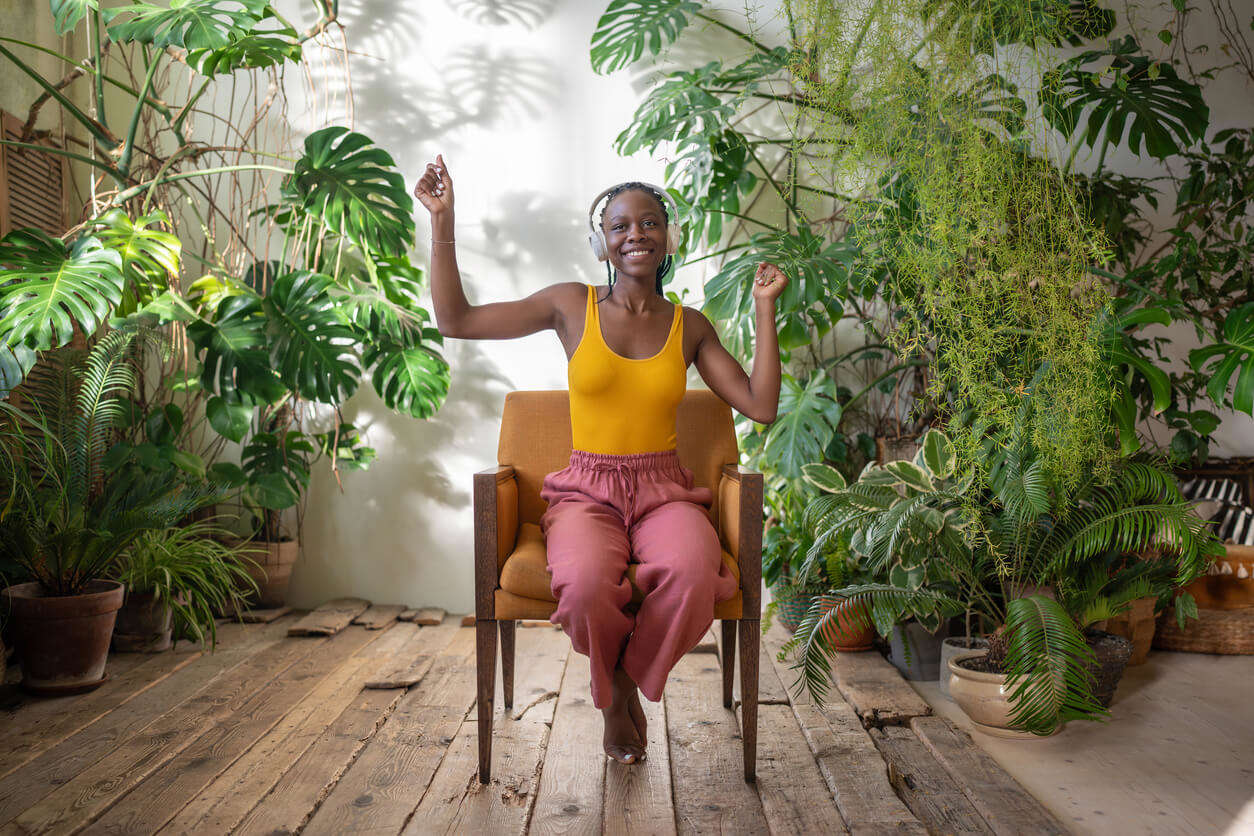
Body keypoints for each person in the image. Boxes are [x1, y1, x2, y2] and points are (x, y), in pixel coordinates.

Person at [413, 155, 787, 765]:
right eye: (619, 226)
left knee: (696, 574)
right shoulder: (570, 305)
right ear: (601, 243)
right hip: (586, 491)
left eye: (649, 223)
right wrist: (443, 221)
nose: (635, 233)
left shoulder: (689, 326)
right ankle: (616, 695)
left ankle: (623, 681)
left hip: (664, 490)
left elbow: (761, 404)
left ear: (667, 239)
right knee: (584, 585)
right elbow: (457, 321)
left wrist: (765, 309)